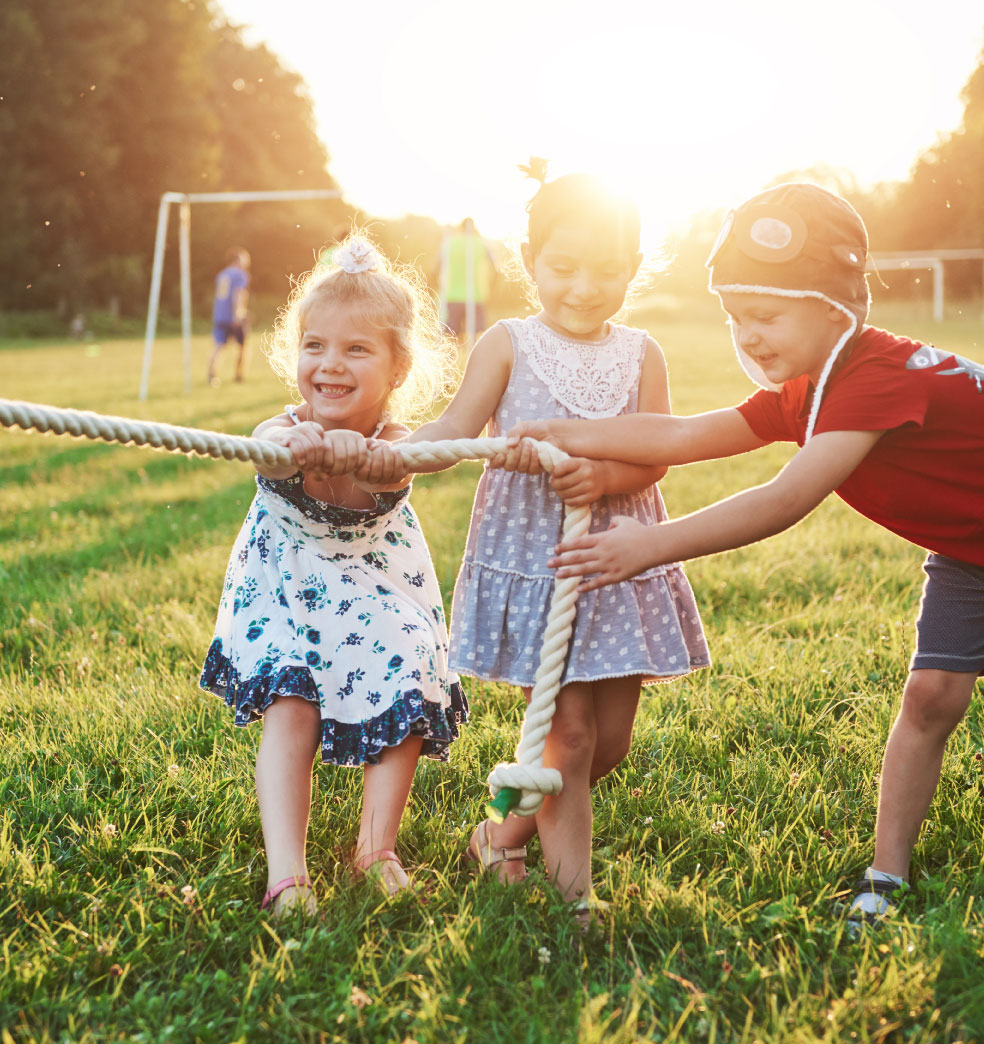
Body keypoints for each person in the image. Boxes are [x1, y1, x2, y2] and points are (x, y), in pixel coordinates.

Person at [508, 182, 984, 926]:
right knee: (931, 697)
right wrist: (556, 432)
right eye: (736, 317)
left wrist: (650, 545)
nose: (749, 336)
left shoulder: (874, 379)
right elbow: (684, 435)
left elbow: (785, 498)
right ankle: (886, 875)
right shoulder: (812, 386)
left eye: (766, 315)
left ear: (836, 311)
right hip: (968, 553)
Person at [378, 165, 710, 921]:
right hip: (537, 563)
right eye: (563, 267)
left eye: (607, 270)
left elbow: (658, 454)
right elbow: (455, 428)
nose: (584, 288)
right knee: (570, 734)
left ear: (633, 267)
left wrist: (601, 473)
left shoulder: (643, 353)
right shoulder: (508, 343)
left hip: (617, 558)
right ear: (530, 261)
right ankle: (575, 902)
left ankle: (499, 833)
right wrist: (386, 454)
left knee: (607, 744)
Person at [199, 235, 467, 916]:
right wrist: (293, 448)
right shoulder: (283, 427)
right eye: (314, 345)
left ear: (398, 369)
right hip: (284, 586)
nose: (330, 364)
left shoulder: (396, 442)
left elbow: (395, 472)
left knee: (409, 672)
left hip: (375, 584)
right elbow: (268, 450)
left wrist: (363, 456)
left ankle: (375, 850)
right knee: (292, 706)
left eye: (356, 349)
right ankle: (287, 876)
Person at [441, 218, 496, 346]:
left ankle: (452, 357)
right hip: (476, 295)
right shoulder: (480, 243)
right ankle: (474, 356)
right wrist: (492, 288)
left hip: (453, 295)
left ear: (461, 228)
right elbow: (495, 267)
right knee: (476, 336)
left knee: (452, 336)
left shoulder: (450, 243)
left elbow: (437, 266)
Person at [208, 247, 251, 386]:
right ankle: (238, 375)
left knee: (219, 345)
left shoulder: (222, 274)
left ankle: (211, 374)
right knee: (242, 345)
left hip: (220, 315)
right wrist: (238, 313)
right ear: (238, 260)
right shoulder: (240, 275)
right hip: (233, 315)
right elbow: (238, 294)